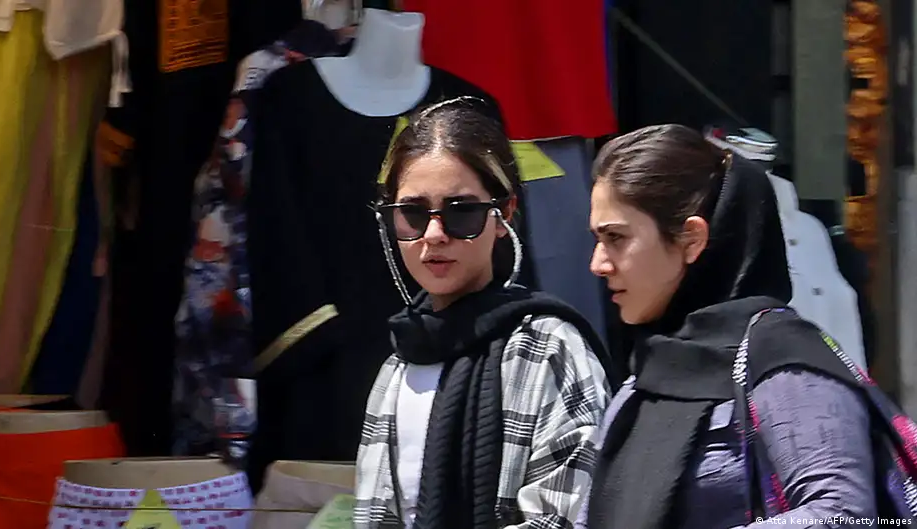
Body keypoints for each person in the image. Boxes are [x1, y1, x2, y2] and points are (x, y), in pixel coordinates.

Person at [581, 124, 876, 529]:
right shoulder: (646, 379)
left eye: (616, 238)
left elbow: (842, 514)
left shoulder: (780, 364)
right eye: (598, 239)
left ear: (691, 239)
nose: (598, 263)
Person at [353, 97, 618, 529]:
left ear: (504, 213)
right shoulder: (397, 366)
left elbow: (568, 515)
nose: (434, 235)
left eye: (462, 212)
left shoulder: (549, 349)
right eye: (413, 214)